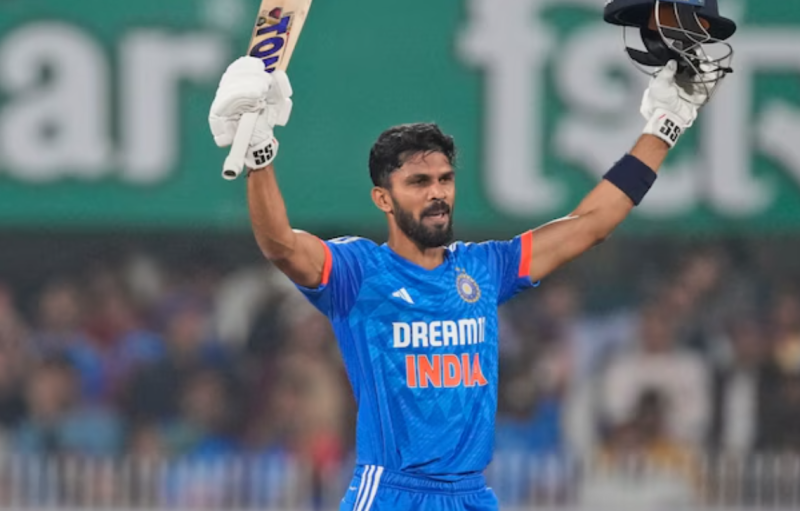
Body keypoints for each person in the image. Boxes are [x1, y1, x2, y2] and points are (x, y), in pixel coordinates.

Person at [207, 50, 717, 509]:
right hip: (392, 494)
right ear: (383, 199)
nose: (437, 193)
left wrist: (665, 125)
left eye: (444, 179)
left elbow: (591, 225)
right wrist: (260, 157)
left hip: (471, 494)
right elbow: (281, 245)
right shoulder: (359, 272)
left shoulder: (484, 268)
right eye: (418, 182)